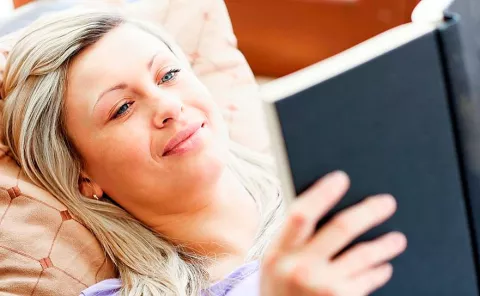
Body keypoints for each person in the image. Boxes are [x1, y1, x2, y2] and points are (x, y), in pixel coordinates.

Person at [0, 10, 406, 296]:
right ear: (82, 177)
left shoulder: (353, 173)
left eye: (169, 75)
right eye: (122, 108)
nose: (168, 107)